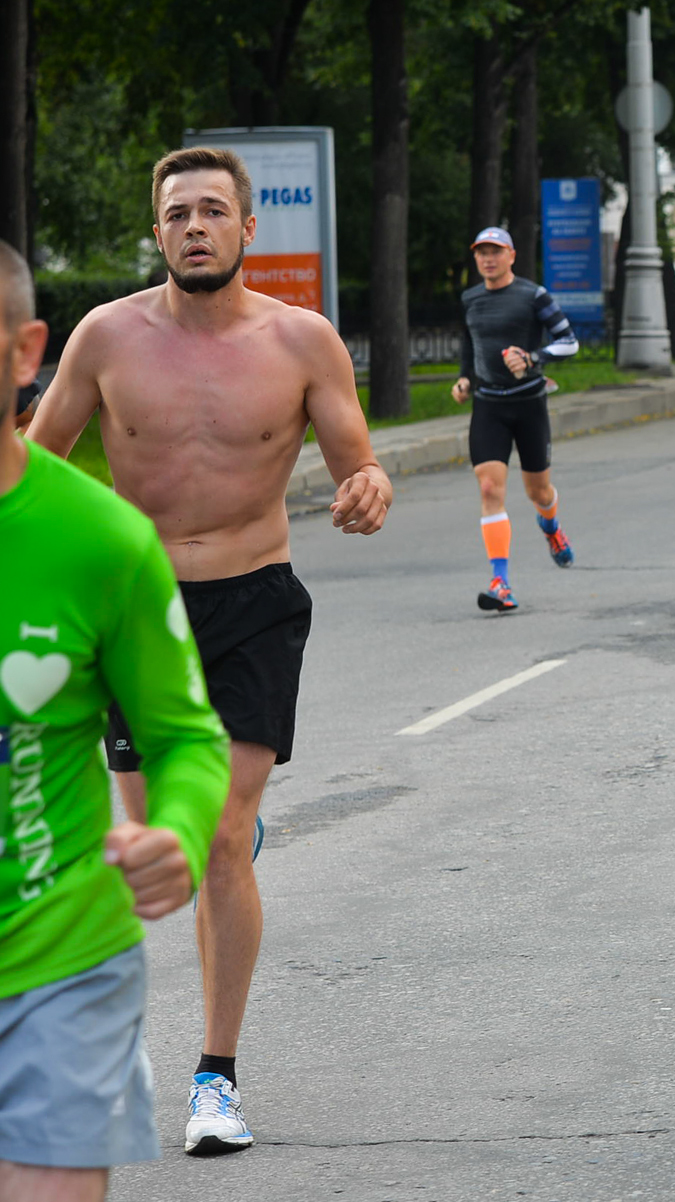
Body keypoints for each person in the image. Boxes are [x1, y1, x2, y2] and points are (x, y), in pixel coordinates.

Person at [26, 146, 392, 1154]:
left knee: (223, 835)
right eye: (176, 211)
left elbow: (358, 464)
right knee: (163, 858)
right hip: (135, 608)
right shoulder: (107, 336)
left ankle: (214, 1076)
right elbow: (36, 458)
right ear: (158, 231)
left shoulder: (303, 341)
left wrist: (368, 488)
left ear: (246, 230)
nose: (194, 225)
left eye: (212, 211)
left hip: (253, 602)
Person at [0, 240, 232, 1194]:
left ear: (25, 353)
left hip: (58, 959)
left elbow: (184, 737)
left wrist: (176, 830)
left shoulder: (100, 540)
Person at [451, 225, 580, 612]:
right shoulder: (471, 298)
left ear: (511, 256)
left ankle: (551, 526)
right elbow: (469, 343)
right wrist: (464, 378)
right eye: (481, 252)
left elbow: (569, 341)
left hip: (528, 404)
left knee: (538, 492)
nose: (487, 259)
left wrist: (533, 358)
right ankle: (501, 582)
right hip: (488, 404)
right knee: (490, 488)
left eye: (495, 251)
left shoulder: (533, 295)